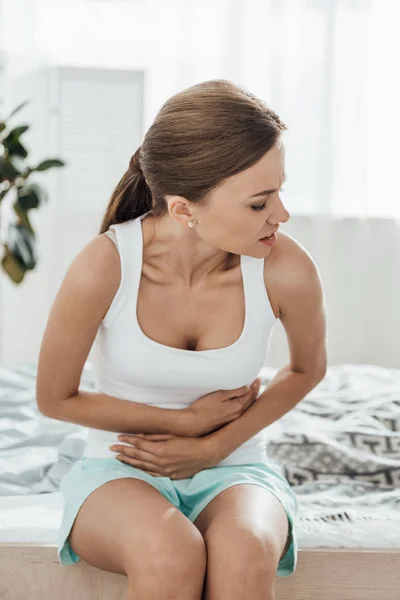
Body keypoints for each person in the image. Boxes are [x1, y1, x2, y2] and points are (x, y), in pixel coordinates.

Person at [36, 79, 327, 600]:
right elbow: (54, 397)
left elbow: (307, 369)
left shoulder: (287, 268)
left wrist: (212, 444)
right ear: (184, 210)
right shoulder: (105, 266)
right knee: (171, 550)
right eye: (260, 203)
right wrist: (183, 424)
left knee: (245, 551)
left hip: (236, 464)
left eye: (280, 191)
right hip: (119, 466)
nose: (281, 215)